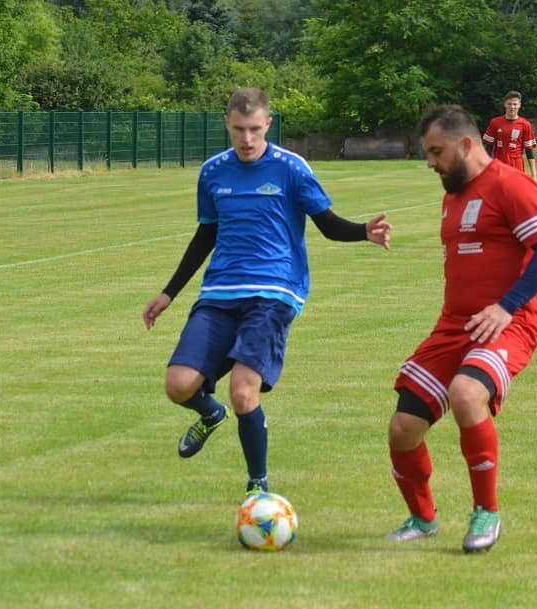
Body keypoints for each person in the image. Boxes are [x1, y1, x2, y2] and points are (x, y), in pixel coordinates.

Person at [143, 87, 392, 496]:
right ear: (227, 123)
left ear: (268, 125)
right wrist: (169, 293)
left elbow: (327, 225)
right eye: (239, 129)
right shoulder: (212, 172)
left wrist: (363, 231)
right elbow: (206, 235)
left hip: (275, 291)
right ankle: (211, 413)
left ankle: (257, 487)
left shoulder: (291, 168)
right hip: (220, 292)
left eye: (255, 129)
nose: (247, 139)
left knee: (244, 391)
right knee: (178, 385)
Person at [386, 104, 537, 553]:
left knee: (466, 394)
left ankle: (486, 513)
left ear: (465, 145)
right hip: (454, 327)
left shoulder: (512, 185)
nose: (430, 163)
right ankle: (422, 519)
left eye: (436, 152)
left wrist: (505, 307)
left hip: (508, 324)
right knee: (403, 427)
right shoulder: (453, 195)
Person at [482, 90, 537, 180]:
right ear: (505, 104)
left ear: (519, 105)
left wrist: (534, 175)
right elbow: (488, 148)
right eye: (510, 104)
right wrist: (485, 168)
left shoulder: (526, 125)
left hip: (517, 166)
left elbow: (529, 151)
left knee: (516, 189)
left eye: (515, 104)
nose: (512, 107)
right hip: (499, 165)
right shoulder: (495, 122)